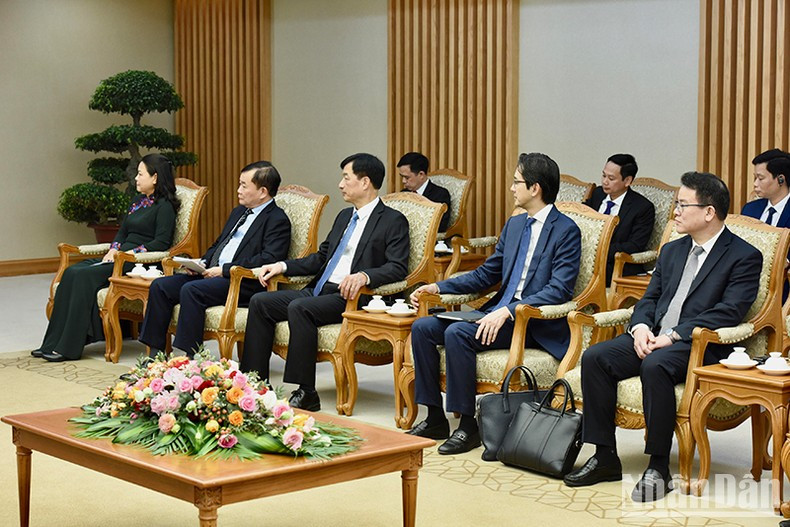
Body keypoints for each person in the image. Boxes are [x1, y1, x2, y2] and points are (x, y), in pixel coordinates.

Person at [564, 172, 762, 502]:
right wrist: (641, 327)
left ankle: (658, 467)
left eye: (683, 205)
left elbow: (729, 312)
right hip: (653, 336)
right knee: (596, 357)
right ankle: (604, 456)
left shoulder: (744, 256)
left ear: (709, 212)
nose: (675, 212)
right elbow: (649, 299)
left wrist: (674, 335)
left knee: (655, 365)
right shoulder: (672, 250)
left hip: (699, 344)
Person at [406, 152, 582, 455]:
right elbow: (486, 275)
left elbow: (558, 290)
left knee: (458, 333)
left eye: (516, 182)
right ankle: (434, 417)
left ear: (535, 188)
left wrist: (507, 311)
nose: (512, 188)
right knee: (422, 327)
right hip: (498, 313)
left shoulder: (566, 230)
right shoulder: (515, 225)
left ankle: (468, 427)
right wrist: (438, 286)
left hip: (533, 323)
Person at [240, 153, 410, 411]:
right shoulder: (344, 216)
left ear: (365, 182)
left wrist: (365, 276)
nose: (340, 184)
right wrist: (282, 266)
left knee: (300, 308)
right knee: (261, 302)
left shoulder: (392, 220)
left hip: (353, 297)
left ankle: (307, 391)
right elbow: (321, 257)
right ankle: (255, 382)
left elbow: (397, 267)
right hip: (320, 290)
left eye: (346, 178)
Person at [34, 153, 179, 362]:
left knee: (82, 276)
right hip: (118, 257)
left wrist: (129, 254)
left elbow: (161, 243)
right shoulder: (138, 202)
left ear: (155, 177)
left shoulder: (164, 207)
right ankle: (51, 343)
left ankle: (68, 348)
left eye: (140, 174)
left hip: (138, 263)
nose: (136, 178)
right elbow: (123, 231)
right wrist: (113, 249)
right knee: (72, 272)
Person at [138, 161, 291, 357]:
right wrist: (202, 263)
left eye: (244, 186)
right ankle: (155, 356)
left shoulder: (277, 220)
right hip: (213, 273)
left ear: (262, 191)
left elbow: (269, 258)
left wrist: (225, 269)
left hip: (241, 281)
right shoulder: (239, 212)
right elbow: (219, 244)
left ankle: (191, 358)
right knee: (160, 286)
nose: (238, 190)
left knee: (192, 290)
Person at [583, 154, 655, 284]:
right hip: (584, 258)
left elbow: (635, 245)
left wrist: (597, 250)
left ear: (627, 181)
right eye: (604, 175)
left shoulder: (642, 208)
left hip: (615, 265)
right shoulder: (597, 194)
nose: (605, 182)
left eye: (611, 178)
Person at [397, 152, 452, 232]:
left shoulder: (440, 194)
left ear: (421, 175)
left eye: (407, 177)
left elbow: (440, 225)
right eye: (402, 177)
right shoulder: (404, 193)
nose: (403, 181)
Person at [741, 149, 790, 227]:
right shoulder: (749, 209)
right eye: (755, 178)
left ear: (781, 179)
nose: (755, 184)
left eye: (761, 178)